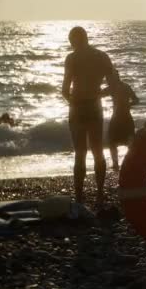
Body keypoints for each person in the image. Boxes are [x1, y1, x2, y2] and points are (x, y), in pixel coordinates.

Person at [62, 26, 116, 207]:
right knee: (98, 151)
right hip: (94, 107)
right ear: (86, 38)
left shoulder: (72, 58)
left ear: (73, 41)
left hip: (77, 108)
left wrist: (73, 100)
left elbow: (64, 90)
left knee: (80, 153)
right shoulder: (102, 56)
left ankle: (79, 198)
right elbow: (114, 85)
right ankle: (100, 194)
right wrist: (97, 95)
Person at [102, 69, 139, 171]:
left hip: (118, 117)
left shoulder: (113, 87)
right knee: (129, 142)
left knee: (112, 142)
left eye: (110, 77)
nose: (108, 79)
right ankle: (129, 162)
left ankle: (116, 164)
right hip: (126, 117)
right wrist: (129, 104)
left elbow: (99, 94)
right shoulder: (126, 86)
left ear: (115, 77)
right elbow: (136, 100)